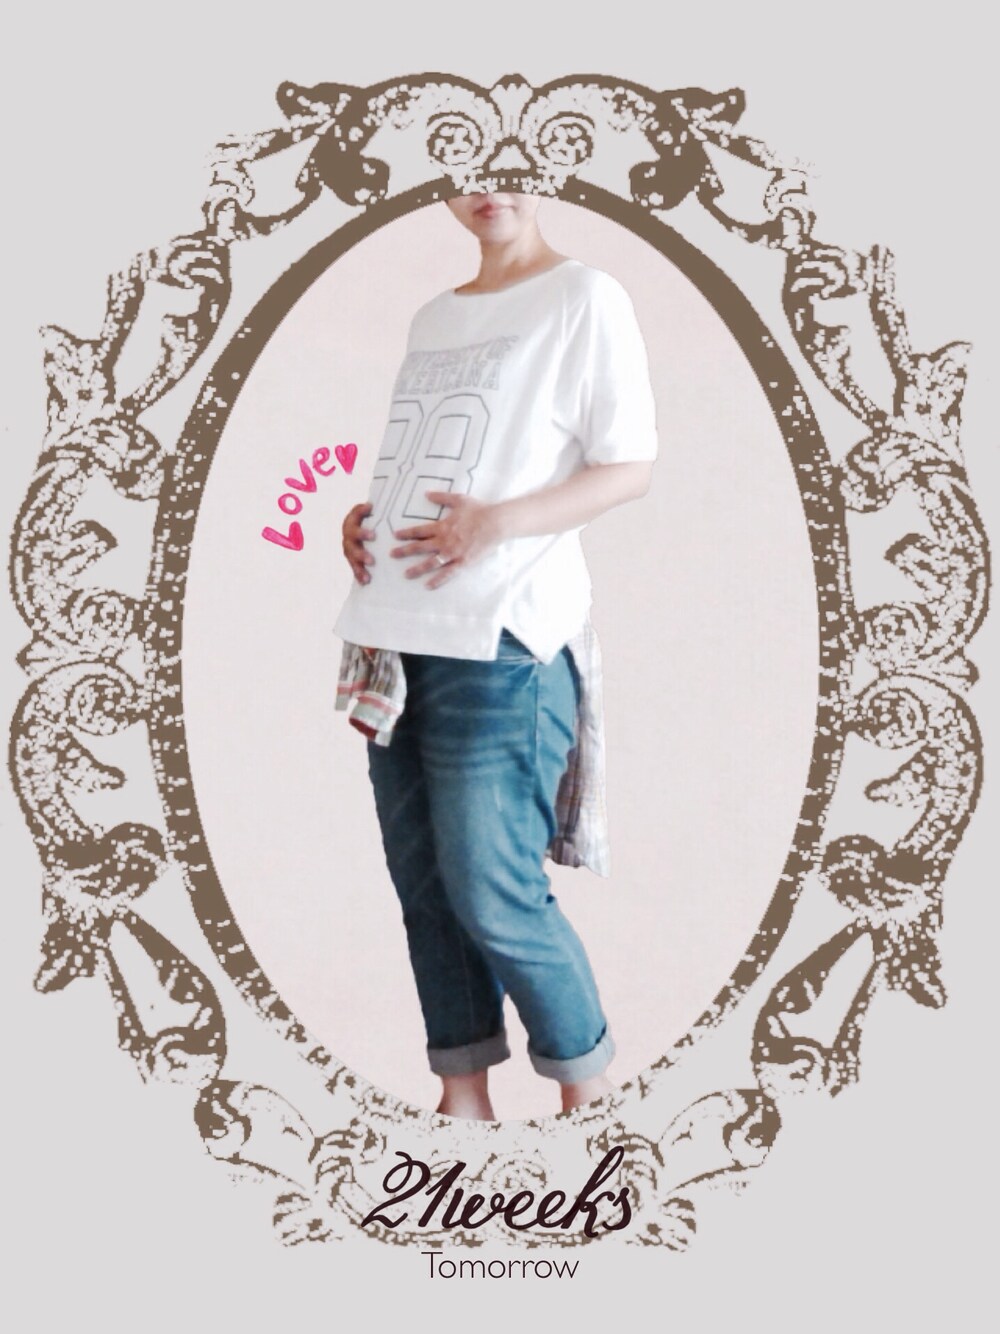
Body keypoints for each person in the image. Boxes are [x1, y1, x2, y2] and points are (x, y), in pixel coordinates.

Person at [333, 192, 658, 1119]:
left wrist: (496, 525)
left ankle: (589, 1098)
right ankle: (462, 1096)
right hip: (395, 634)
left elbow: (629, 465)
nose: (488, 185)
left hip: (504, 637)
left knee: (493, 888)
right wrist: (368, 518)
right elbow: (441, 453)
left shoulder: (583, 296)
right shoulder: (434, 317)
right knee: (425, 887)